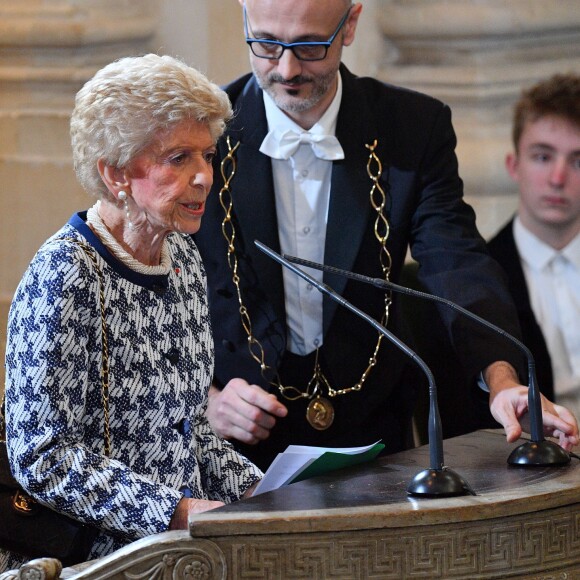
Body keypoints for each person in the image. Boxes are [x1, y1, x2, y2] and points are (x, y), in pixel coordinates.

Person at [194, 0, 579, 471]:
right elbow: (158, 296)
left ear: (350, 24)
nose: (288, 68)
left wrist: (503, 380)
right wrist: (205, 403)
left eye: (311, 46)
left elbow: (456, 261)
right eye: (267, 44)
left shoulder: (412, 128)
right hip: (237, 445)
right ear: (245, 19)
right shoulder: (200, 135)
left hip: (375, 438)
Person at [1, 53, 262, 573]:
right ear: (115, 172)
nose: (204, 177)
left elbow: (188, 432)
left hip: (180, 551)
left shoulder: (183, 257)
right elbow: (41, 456)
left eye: (207, 155)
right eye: (178, 158)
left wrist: (264, 494)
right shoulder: (65, 273)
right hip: (87, 560)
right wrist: (174, 511)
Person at [488, 73, 580, 418]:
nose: (558, 179)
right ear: (514, 166)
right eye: (543, 157)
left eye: (578, 161)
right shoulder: (481, 276)